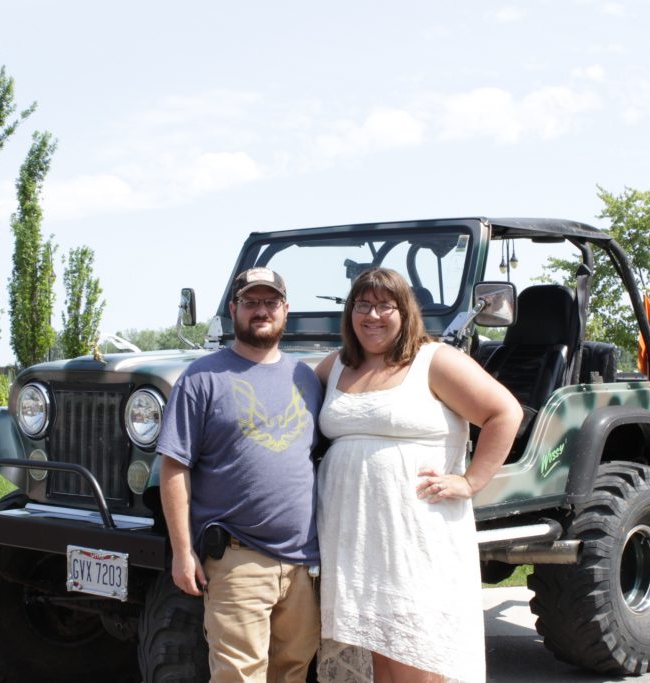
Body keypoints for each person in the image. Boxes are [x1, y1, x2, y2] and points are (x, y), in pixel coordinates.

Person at [315, 267, 523, 683]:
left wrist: (471, 481)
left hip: (413, 536)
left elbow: (505, 413)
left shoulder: (434, 360)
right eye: (363, 305)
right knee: (377, 653)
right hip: (352, 540)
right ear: (350, 313)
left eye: (384, 306)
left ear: (404, 311)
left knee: (416, 648)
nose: (372, 316)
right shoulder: (337, 366)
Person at [158, 266, 323, 683]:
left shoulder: (307, 378)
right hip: (237, 559)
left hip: (304, 562)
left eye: (270, 302)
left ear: (286, 310)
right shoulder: (201, 378)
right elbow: (174, 467)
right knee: (238, 676)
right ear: (234, 310)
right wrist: (182, 552)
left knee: (293, 672)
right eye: (251, 302)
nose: (261, 310)